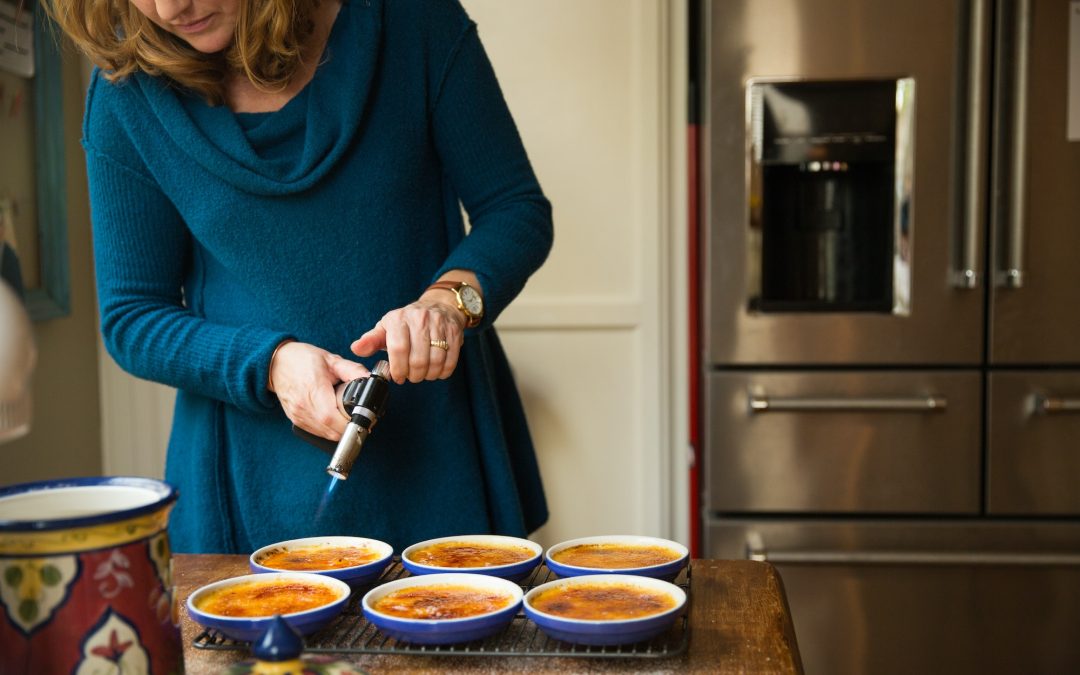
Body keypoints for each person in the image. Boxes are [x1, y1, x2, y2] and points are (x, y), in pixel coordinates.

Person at [44, 0, 552, 553]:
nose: (170, 8)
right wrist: (271, 365)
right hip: (243, 488)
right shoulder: (125, 91)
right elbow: (131, 318)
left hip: (440, 457)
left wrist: (448, 304)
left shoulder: (415, 22)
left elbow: (514, 208)